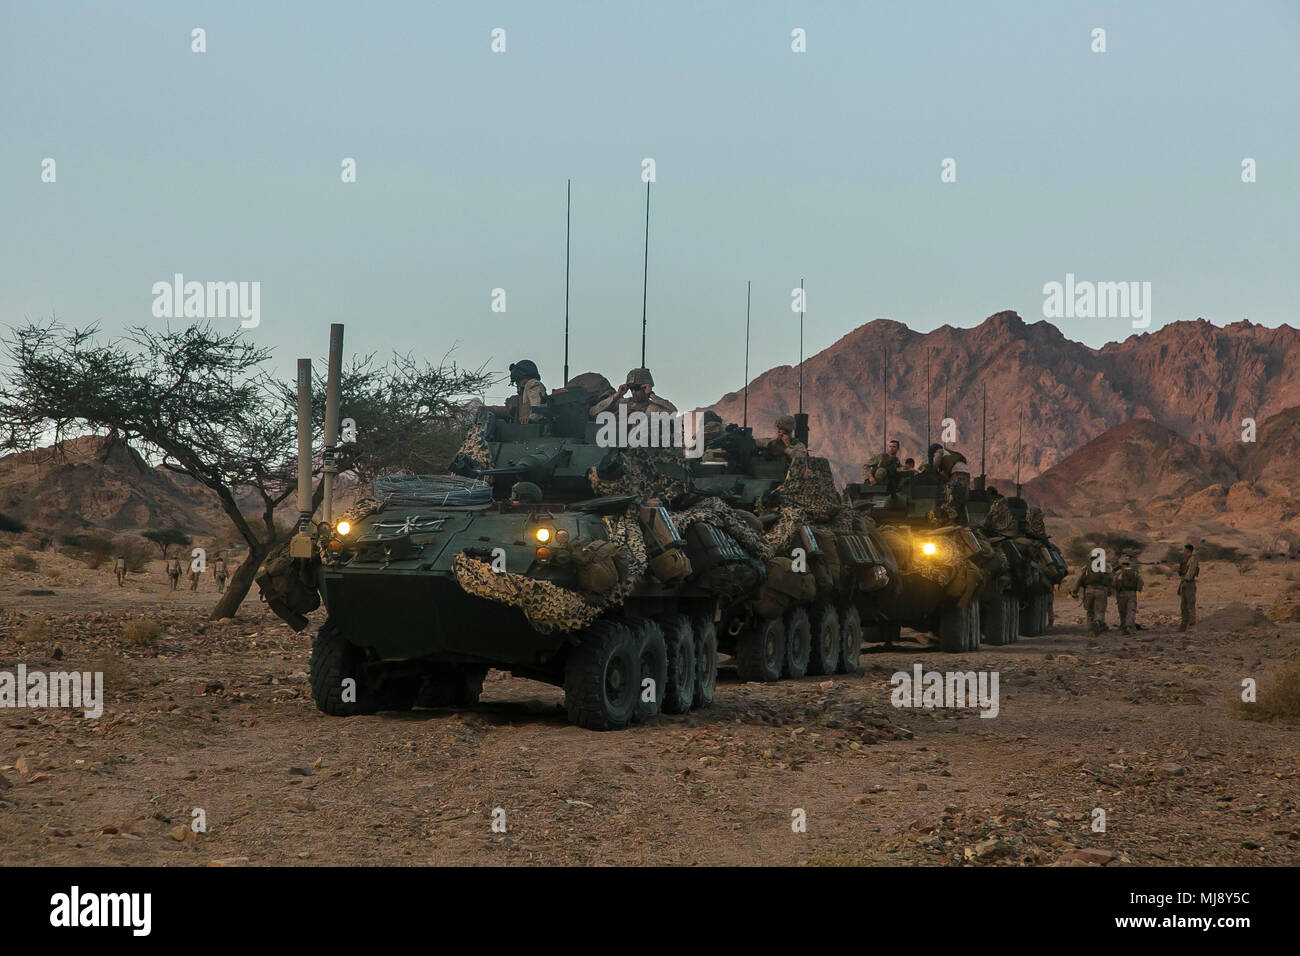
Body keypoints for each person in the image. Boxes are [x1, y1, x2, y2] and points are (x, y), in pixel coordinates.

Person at [590, 368, 677, 416]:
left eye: (637, 388)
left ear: (645, 387)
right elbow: (593, 412)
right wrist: (617, 395)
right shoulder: (622, 403)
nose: (634, 392)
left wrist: (651, 394)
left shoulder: (653, 408)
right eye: (631, 388)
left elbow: (673, 412)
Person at [1070, 558, 1114, 635]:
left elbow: (1080, 580)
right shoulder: (1105, 568)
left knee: (1090, 611)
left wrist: (1075, 592)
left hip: (1089, 591)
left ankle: (1090, 629)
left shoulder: (1086, 568)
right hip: (1101, 591)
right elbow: (1110, 579)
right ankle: (1097, 623)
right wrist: (1109, 591)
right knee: (1099, 611)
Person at [507, 360, 547, 424]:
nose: (517, 385)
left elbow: (537, 407)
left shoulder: (531, 384)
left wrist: (531, 418)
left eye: (517, 382)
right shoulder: (525, 394)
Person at [1113, 553, 1144, 635]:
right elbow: (1140, 583)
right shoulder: (1135, 573)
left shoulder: (1119, 573)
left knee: (1122, 611)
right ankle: (1129, 625)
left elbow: (1114, 584)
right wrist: (1138, 589)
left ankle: (1123, 625)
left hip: (1121, 594)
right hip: (1132, 593)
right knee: (1131, 610)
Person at [1177, 543, 1199, 632]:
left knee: (1190, 604)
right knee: (1183, 605)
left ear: (1188, 550)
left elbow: (1191, 571)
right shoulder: (1186, 559)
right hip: (1184, 582)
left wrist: (1186, 580)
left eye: (1185, 550)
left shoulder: (1193, 559)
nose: (1183, 551)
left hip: (1189, 583)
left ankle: (1191, 624)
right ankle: (1184, 625)